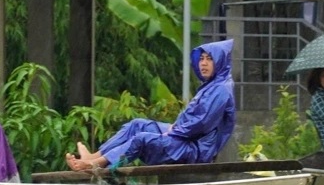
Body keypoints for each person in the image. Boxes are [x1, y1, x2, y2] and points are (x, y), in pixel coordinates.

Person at [66, 39, 236, 172]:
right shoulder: (211, 86)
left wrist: (174, 130)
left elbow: (202, 123)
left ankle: (95, 165)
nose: (203, 63)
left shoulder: (220, 89)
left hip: (195, 150)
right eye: (201, 59)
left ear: (220, 61)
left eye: (209, 59)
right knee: (136, 125)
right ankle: (93, 156)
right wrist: (174, 128)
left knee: (142, 139)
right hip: (184, 138)